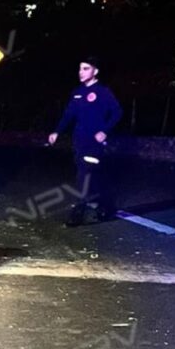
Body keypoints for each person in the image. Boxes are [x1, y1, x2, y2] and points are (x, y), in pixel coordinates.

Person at [48, 56, 123, 226]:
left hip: (95, 142)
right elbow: (68, 114)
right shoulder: (77, 93)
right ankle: (106, 206)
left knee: (84, 174)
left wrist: (104, 131)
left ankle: (78, 212)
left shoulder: (103, 92)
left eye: (86, 68)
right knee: (91, 174)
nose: (81, 72)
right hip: (79, 140)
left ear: (95, 71)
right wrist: (57, 132)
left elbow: (117, 112)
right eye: (80, 68)